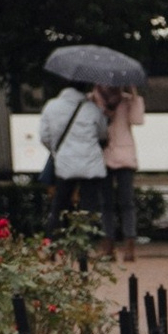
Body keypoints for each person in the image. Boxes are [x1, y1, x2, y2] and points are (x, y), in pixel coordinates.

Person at [39, 77, 107, 235]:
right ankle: (83, 248)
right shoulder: (92, 109)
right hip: (90, 164)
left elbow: (44, 136)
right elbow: (103, 134)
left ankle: (53, 244)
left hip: (65, 164)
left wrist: (57, 152)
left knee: (59, 205)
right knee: (88, 208)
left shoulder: (51, 107)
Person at [99, 83, 145, 265]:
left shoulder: (124, 101)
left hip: (113, 157)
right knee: (119, 204)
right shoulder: (95, 101)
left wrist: (134, 96)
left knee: (116, 204)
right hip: (115, 156)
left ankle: (120, 246)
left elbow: (138, 119)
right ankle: (119, 246)